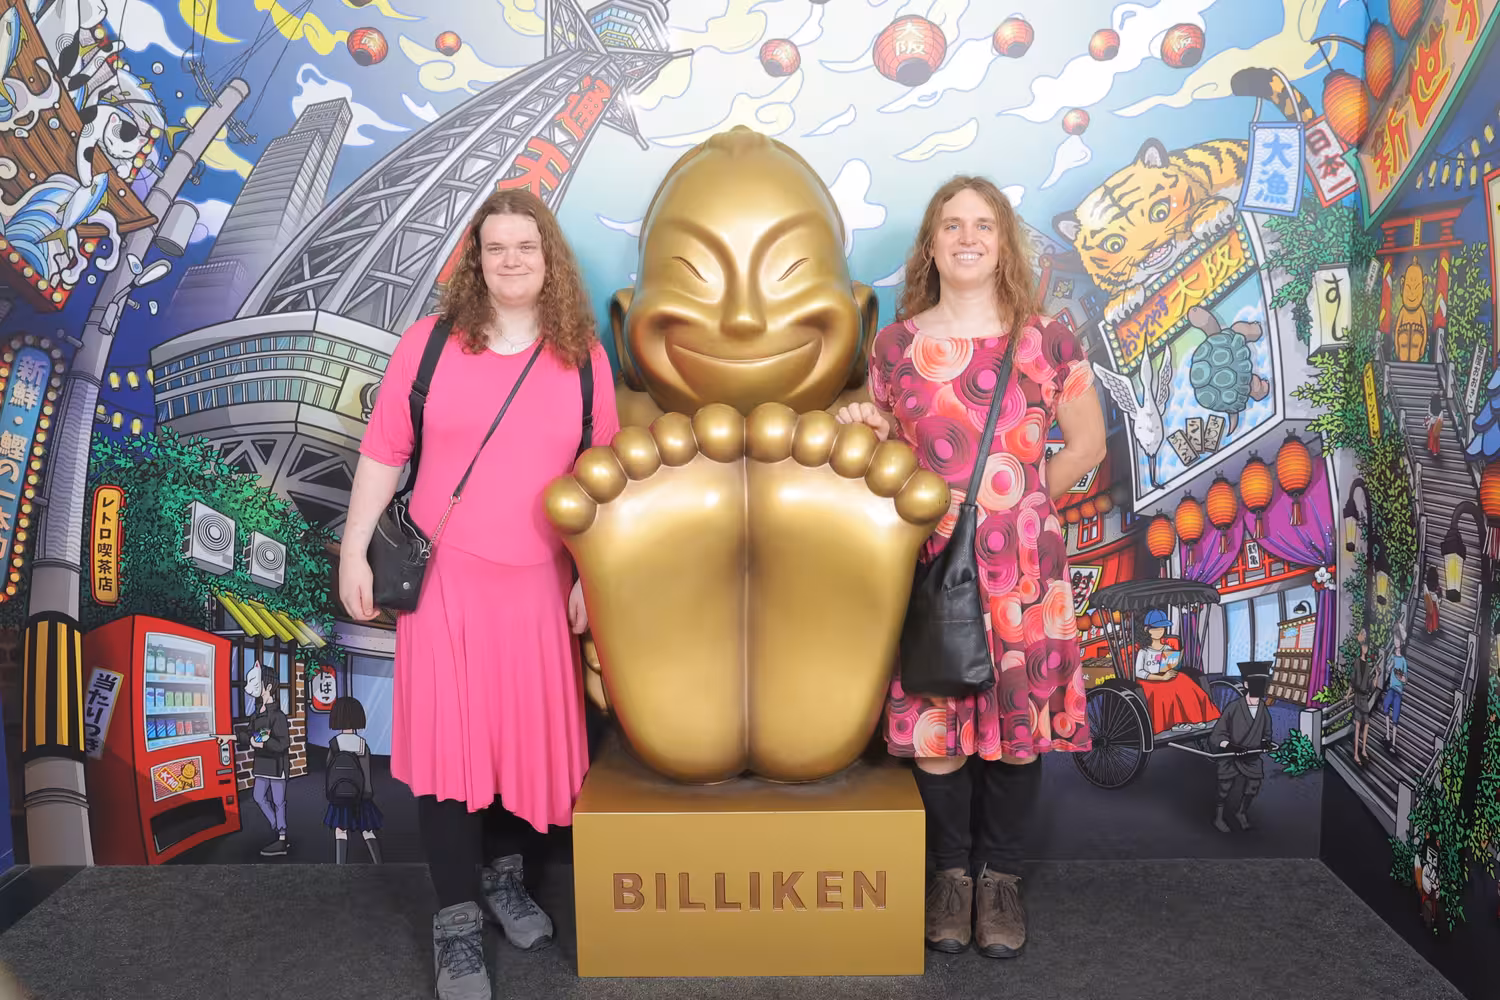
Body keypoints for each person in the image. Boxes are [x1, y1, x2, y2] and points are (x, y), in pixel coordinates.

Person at [340, 188, 619, 1000]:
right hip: (446, 588)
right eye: (495, 247)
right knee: (452, 758)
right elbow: (384, 452)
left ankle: (505, 882)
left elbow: (603, 485)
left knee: (520, 751)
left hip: (539, 585)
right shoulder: (429, 345)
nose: (510, 260)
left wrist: (589, 579)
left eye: (525, 247)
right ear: (476, 260)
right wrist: (353, 549)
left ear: (550, 259)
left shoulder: (585, 360)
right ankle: (456, 921)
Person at [836, 175, 1107, 959]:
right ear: (931, 244)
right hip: (931, 564)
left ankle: (1001, 881)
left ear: (1002, 243)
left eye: (982, 225)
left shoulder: (1048, 341)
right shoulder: (895, 347)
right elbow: (886, 450)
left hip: (1023, 568)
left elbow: (1087, 446)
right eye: (951, 225)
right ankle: (952, 875)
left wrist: (1017, 505)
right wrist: (862, 415)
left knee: (1017, 732)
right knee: (938, 729)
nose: (966, 238)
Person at [1208, 661, 1275, 833]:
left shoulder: (1262, 709)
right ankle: (1218, 817)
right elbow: (1217, 735)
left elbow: (1267, 732)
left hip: (1251, 756)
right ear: (1246, 684)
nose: (1261, 688)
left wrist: (1266, 742)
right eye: (1256, 684)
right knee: (1224, 788)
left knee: (1254, 785)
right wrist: (1229, 746)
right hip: (1230, 756)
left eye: (1263, 684)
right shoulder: (1234, 708)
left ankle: (1241, 812)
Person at [1133, 609, 1221, 733]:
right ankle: (1176, 722)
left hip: (1167, 675)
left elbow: (1171, 665)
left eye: (1162, 628)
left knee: (1185, 682)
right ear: (1147, 630)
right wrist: (1161, 678)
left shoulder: (1168, 647)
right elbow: (1139, 672)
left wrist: (1173, 667)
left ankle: (1195, 718)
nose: (1159, 632)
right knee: (1166, 691)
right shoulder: (1144, 651)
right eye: (1155, 629)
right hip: (1150, 681)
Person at [324, 695, 384, 864]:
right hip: (361, 796)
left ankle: (340, 867)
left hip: (339, 795)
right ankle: (379, 864)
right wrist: (367, 793)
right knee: (368, 830)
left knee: (340, 830)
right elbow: (366, 771)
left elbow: (329, 770)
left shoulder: (334, 743)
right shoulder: (362, 744)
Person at [239, 670, 291, 858]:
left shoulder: (278, 716)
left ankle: (282, 838)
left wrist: (263, 743)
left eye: (256, 682)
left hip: (277, 767)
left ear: (268, 687)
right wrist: (240, 738)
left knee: (279, 802)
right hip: (261, 764)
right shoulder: (257, 712)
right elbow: (248, 733)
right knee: (258, 796)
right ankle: (276, 825)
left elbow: (284, 743)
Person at [1349, 627, 1380, 766]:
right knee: (1358, 726)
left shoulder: (1368, 665)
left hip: (1364, 698)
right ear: (1361, 647)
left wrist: (1377, 676)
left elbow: (1371, 685)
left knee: (1366, 724)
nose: (1365, 649)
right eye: (1364, 647)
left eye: (1367, 647)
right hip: (1358, 697)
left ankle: (1364, 750)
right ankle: (1356, 753)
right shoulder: (1357, 662)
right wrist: (1348, 694)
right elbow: (1352, 679)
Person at [1383, 636, 1407, 756]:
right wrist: (1390, 666)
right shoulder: (1392, 657)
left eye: (1398, 640)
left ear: (1401, 643)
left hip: (1399, 690)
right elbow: (1387, 668)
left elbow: (1405, 679)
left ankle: (1393, 743)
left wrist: (1400, 676)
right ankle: (1387, 734)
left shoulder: (1403, 661)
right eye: (1395, 640)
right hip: (1392, 688)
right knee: (1386, 706)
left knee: (1396, 717)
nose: (1396, 642)